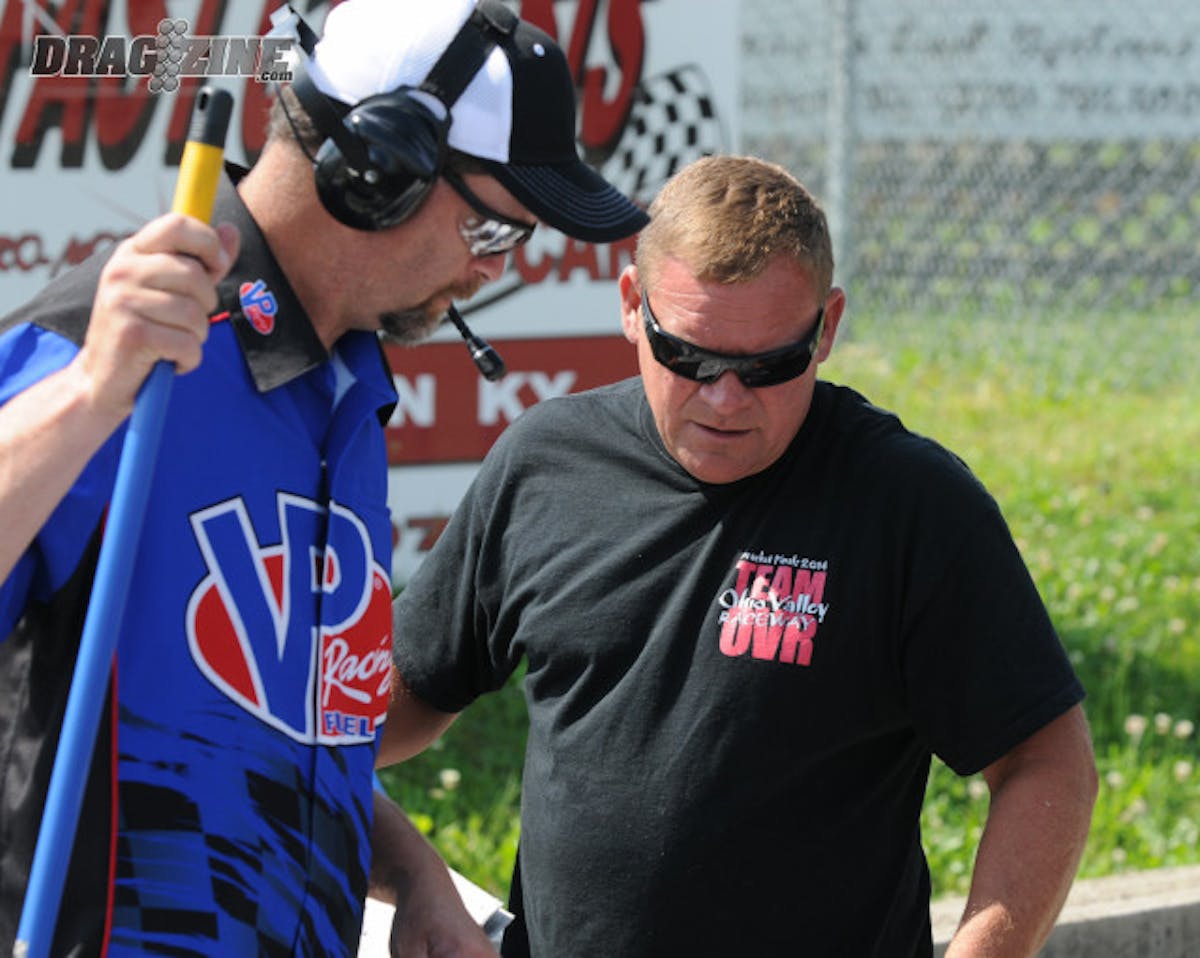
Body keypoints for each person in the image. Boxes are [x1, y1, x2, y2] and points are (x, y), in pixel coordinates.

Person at [0, 0, 646, 954]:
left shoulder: (347, 381)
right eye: (495, 235)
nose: (485, 276)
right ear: (377, 171)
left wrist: (419, 876)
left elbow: (277, 734)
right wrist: (92, 390)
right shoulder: (114, 343)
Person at [382, 154, 1099, 957]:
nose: (725, 397)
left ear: (826, 330)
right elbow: (398, 694)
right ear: (631, 308)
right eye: (688, 356)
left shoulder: (909, 504)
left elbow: (1048, 763)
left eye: (768, 366)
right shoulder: (545, 464)